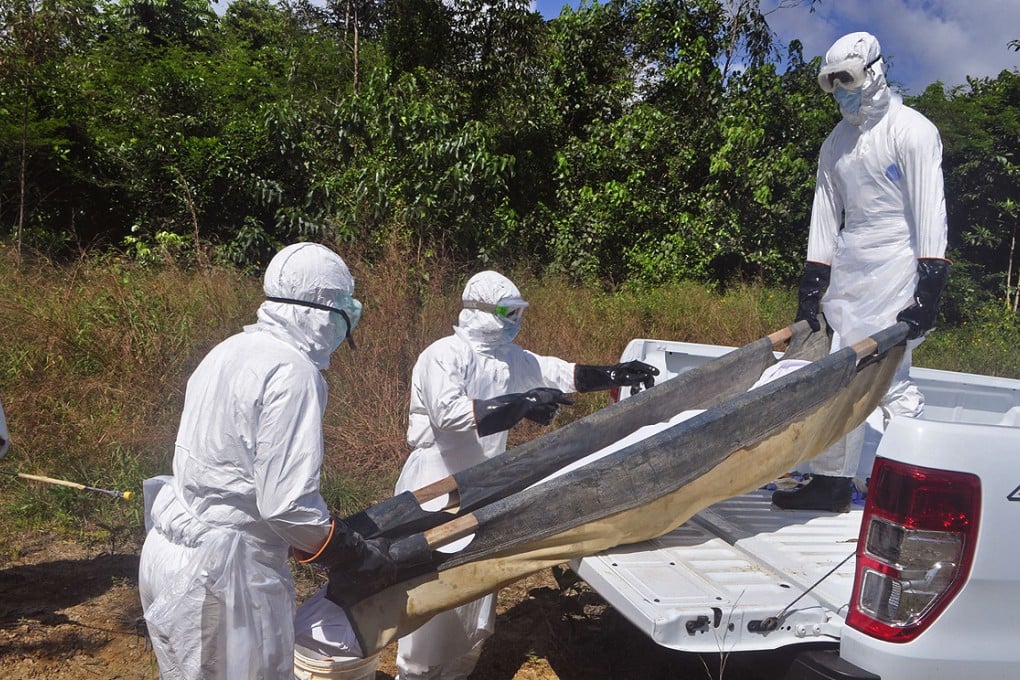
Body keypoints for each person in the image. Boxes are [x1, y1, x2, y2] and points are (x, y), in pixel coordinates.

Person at [138, 242, 411, 680]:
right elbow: (286, 505)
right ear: (321, 309)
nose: (349, 317)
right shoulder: (293, 371)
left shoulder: (228, 349)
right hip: (226, 573)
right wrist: (348, 550)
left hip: (168, 551)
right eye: (344, 304)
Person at [393, 270, 659, 680]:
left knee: (475, 592)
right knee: (434, 593)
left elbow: (557, 372)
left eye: (518, 312)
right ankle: (415, 673)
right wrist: (522, 404)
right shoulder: (443, 354)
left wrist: (613, 373)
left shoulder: (510, 358)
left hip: (486, 486)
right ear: (479, 310)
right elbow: (450, 416)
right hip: (436, 486)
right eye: (507, 311)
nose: (515, 320)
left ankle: (456, 672)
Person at [772, 31, 949, 513]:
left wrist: (928, 289)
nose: (841, 92)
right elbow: (825, 215)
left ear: (873, 72)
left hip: (899, 265)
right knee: (838, 375)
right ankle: (831, 482)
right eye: (832, 84)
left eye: (846, 79)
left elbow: (931, 213)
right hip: (850, 271)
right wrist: (812, 286)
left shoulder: (912, 130)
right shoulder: (837, 143)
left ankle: (915, 487)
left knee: (891, 378)